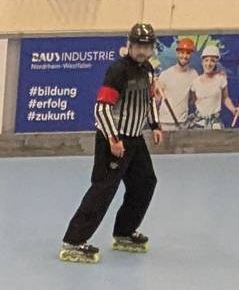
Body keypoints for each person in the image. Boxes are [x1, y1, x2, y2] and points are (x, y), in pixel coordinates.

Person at [60, 24, 169, 263]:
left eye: (146, 46)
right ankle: (74, 241)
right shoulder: (118, 71)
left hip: (135, 139)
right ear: (129, 45)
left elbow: (149, 100)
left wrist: (155, 125)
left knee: (145, 183)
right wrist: (113, 138)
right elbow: (101, 108)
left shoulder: (148, 70)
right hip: (114, 140)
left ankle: (124, 232)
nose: (142, 51)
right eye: (138, 46)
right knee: (103, 189)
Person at [186, 46, 239, 128]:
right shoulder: (195, 82)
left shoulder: (221, 79)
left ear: (215, 63)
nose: (208, 64)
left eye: (212, 61)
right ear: (202, 62)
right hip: (199, 124)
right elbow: (192, 101)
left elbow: (225, 98)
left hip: (215, 124)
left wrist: (233, 109)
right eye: (206, 60)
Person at [154, 36, 199, 130]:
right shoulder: (165, 75)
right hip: (164, 122)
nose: (184, 56)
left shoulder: (194, 74)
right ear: (177, 53)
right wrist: (155, 122)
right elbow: (157, 100)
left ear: (191, 55)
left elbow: (193, 99)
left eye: (188, 53)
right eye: (182, 52)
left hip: (183, 123)